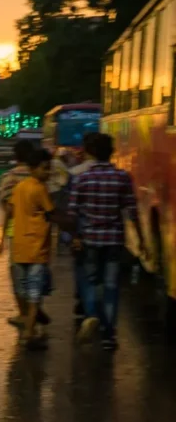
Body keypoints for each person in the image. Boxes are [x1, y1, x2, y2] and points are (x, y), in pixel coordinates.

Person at [68, 133, 147, 350]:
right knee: (111, 286)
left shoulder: (82, 178)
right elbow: (131, 211)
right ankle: (108, 335)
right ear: (111, 152)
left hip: (90, 239)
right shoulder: (122, 177)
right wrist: (140, 239)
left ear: (90, 152)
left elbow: (72, 213)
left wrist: (75, 237)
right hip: (114, 239)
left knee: (91, 281)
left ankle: (92, 314)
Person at [0, 149, 54, 350]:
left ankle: (28, 322)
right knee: (34, 292)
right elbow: (51, 213)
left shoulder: (15, 183)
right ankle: (29, 329)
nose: (49, 172)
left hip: (19, 243)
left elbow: (8, 211)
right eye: (45, 169)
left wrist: (2, 238)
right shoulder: (40, 188)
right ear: (33, 167)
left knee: (23, 288)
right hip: (37, 248)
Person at [68, 133, 100, 318]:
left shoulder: (76, 174)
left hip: (83, 232)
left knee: (83, 269)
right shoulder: (118, 174)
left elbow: (72, 209)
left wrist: (73, 236)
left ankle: (87, 309)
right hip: (109, 235)